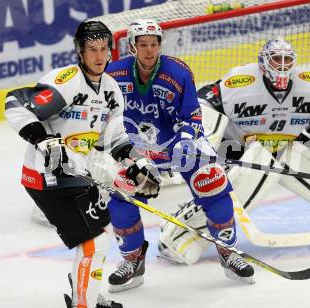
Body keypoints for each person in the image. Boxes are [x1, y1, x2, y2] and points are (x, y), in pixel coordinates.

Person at [158, 36, 310, 265]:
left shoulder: (309, 87)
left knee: (299, 153)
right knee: (246, 171)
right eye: (277, 59)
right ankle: (179, 236)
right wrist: (201, 143)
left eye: (287, 60)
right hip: (237, 152)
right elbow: (201, 104)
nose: (282, 66)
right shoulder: (239, 81)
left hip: (286, 151)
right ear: (264, 63)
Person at [4, 20, 160, 308]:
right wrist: (44, 140)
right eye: (92, 50)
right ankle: (83, 303)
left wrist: (135, 163)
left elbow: (115, 138)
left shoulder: (111, 88)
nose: (99, 57)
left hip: (78, 175)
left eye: (104, 49)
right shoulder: (67, 82)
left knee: (100, 235)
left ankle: (85, 292)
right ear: (80, 51)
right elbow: (15, 102)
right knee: (95, 241)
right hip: (46, 178)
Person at [104, 19, 255, 291]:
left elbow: (193, 114)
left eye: (154, 44)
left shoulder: (178, 72)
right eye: (143, 45)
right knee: (120, 199)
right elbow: (104, 116)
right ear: (132, 47)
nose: (150, 50)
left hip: (178, 144)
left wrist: (186, 139)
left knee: (213, 183)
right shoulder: (113, 75)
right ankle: (132, 262)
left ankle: (229, 253)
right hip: (137, 152)